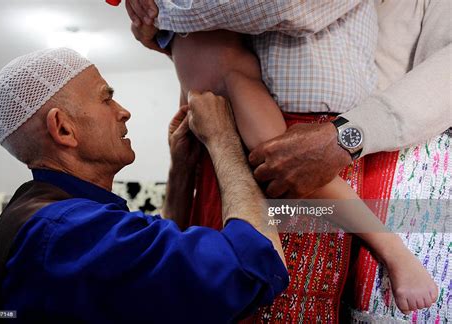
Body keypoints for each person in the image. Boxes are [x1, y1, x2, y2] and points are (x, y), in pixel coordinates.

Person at [123, 0, 450, 320]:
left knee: (279, 165)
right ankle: (393, 250)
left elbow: (290, 9)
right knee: (272, 172)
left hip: (238, 87)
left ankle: (393, 251)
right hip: (222, 87)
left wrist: (162, 12)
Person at [0, 48, 289, 323]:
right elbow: (252, 266)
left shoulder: (43, 211)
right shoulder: (68, 232)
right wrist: (224, 139)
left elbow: (152, 265)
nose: (123, 111)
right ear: (63, 128)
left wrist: (180, 172)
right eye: (106, 98)